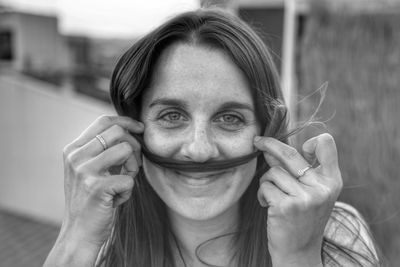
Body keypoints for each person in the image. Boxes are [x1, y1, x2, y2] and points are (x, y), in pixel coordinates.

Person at [44, 9, 381, 267]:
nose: (199, 150)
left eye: (230, 118)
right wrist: (74, 240)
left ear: (266, 130)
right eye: (172, 116)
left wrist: (299, 256)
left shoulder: (335, 233)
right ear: (132, 128)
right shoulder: (99, 247)